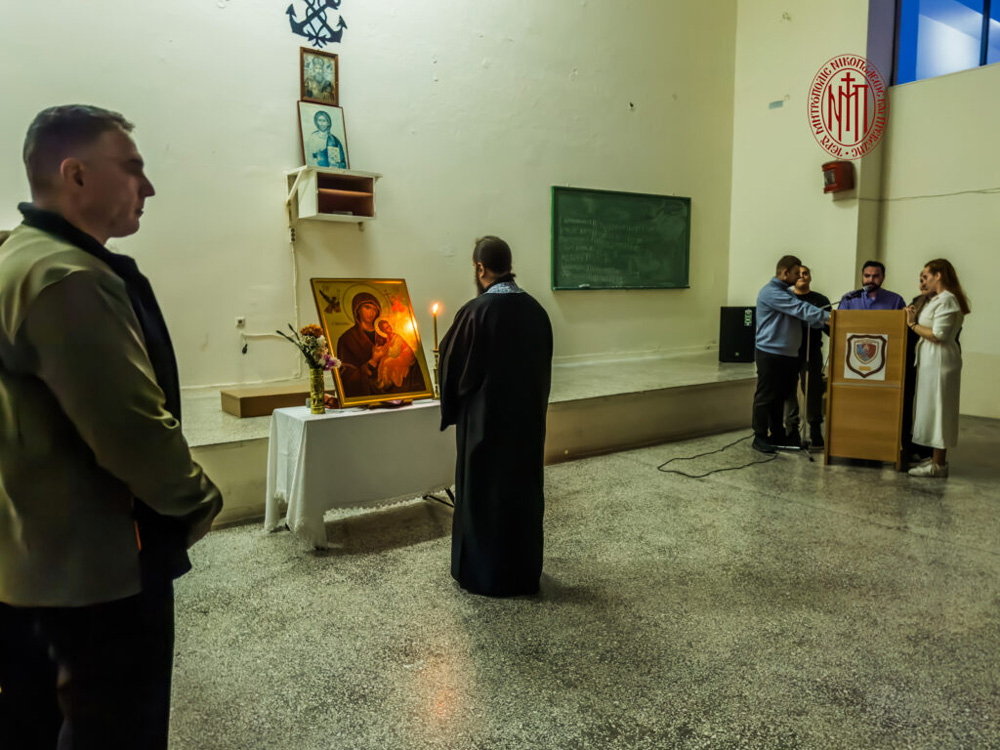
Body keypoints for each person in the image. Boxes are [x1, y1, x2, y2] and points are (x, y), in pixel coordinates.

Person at [0, 105, 223, 749]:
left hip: (33, 557)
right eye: (132, 168)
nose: (147, 186)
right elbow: (131, 429)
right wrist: (196, 501)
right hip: (95, 571)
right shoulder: (68, 277)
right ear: (75, 175)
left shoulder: (21, 255)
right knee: (115, 728)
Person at [438, 236, 553, 596]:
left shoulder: (476, 311)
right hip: (525, 428)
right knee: (521, 496)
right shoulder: (536, 311)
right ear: (509, 265)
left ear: (479, 268)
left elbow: (453, 368)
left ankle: (483, 574)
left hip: (484, 431)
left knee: (485, 498)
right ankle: (522, 572)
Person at [752, 255, 830, 454]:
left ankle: (778, 435)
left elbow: (801, 317)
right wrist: (830, 317)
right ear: (785, 273)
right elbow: (800, 309)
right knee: (766, 397)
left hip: (787, 354)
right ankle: (759, 437)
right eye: (796, 273)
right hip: (770, 352)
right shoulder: (771, 292)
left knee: (780, 396)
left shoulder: (786, 293)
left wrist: (824, 322)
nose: (799, 277)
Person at [906, 259, 970, 478]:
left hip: (941, 361)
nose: (923, 281)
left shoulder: (948, 299)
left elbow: (938, 334)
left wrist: (912, 324)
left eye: (926, 276)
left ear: (938, 275)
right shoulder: (938, 299)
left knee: (940, 410)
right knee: (933, 410)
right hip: (932, 361)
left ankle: (939, 465)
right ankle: (935, 459)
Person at [336, 292, 425, 397]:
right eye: (367, 307)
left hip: (396, 390)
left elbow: (411, 360)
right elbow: (346, 376)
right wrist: (373, 361)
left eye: (375, 309)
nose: (371, 312)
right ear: (357, 309)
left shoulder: (386, 334)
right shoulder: (347, 339)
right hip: (367, 394)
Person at [782, 265, 831, 448]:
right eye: (799, 274)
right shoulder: (786, 298)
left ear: (810, 277)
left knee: (812, 391)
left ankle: (815, 430)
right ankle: (791, 430)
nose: (802, 276)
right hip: (788, 351)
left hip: (812, 352)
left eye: (805, 273)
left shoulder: (821, 300)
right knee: (788, 390)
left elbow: (830, 327)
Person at [837, 260, 906, 310]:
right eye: (867, 276)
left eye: (875, 276)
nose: (871, 280)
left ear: (883, 277)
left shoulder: (896, 300)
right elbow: (839, 322)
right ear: (862, 276)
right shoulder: (849, 299)